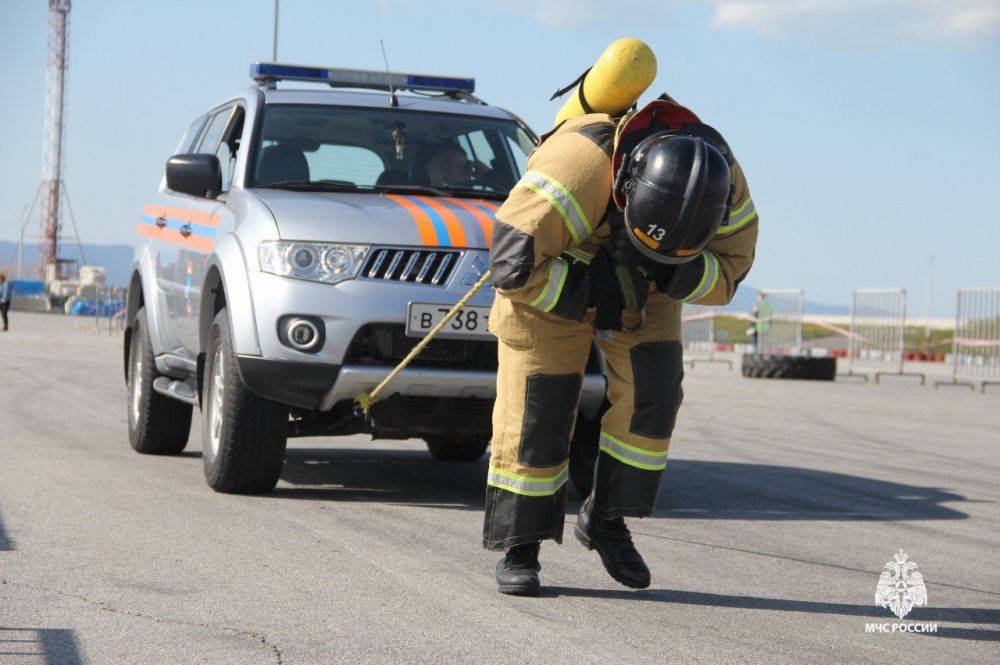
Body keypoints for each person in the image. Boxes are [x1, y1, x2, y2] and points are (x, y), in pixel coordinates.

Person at [483, 96, 759, 595]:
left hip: (653, 279)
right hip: (554, 269)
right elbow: (510, 263)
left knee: (653, 396)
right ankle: (521, 546)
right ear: (627, 189)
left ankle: (606, 518)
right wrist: (588, 291)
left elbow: (729, 272)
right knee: (538, 410)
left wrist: (669, 270)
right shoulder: (579, 168)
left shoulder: (725, 186)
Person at [421, 143, 491, 189]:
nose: (453, 169)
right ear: (428, 169)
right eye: (446, 164)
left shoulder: (480, 199)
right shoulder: (414, 200)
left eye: (459, 166)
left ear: (465, 172)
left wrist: (489, 175)